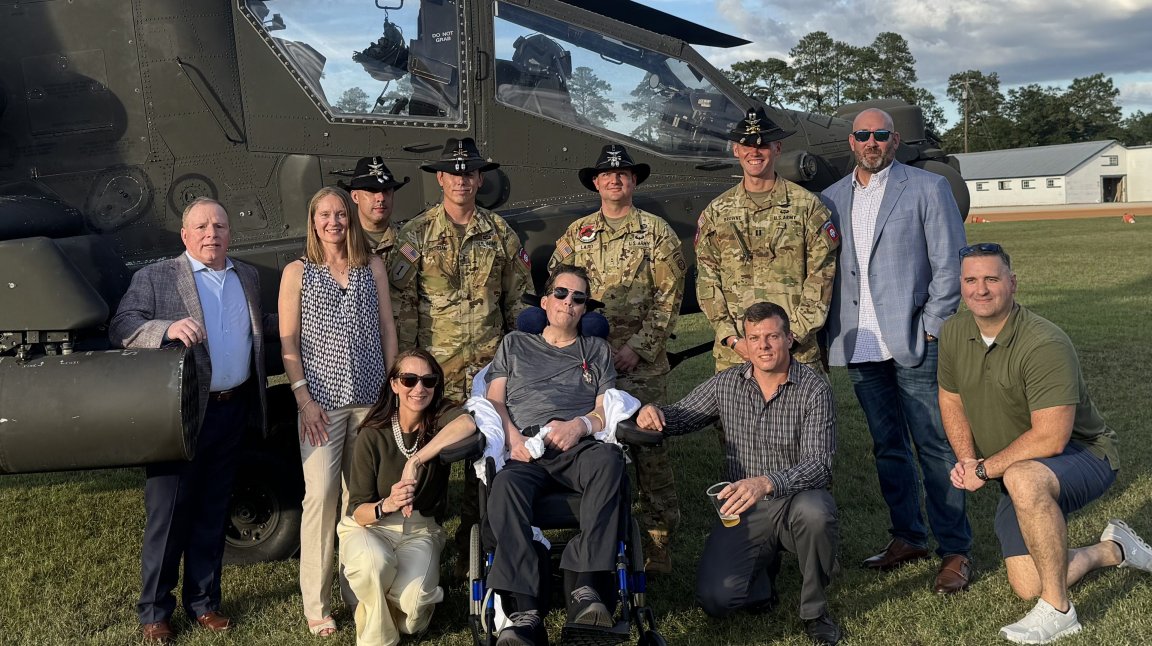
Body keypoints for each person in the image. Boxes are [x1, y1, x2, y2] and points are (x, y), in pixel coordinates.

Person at [939, 243, 1150, 644]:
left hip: (1084, 453)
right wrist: (967, 459)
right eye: (971, 280)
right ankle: (1113, 550)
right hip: (1016, 465)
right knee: (1027, 583)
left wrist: (983, 469)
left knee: (1023, 478)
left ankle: (1059, 611)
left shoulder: (1044, 342)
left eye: (991, 278)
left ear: (1013, 283)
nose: (980, 289)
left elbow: (1051, 437)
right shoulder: (953, 332)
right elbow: (950, 399)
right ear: (960, 285)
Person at [109, 197, 277, 644]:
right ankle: (155, 611)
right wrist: (165, 329)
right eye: (201, 226)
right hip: (180, 414)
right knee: (169, 514)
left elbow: (256, 328)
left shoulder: (246, 276)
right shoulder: (156, 276)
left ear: (230, 233)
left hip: (232, 409)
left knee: (213, 510)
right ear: (185, 235)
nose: (211, 234)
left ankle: (204, 603)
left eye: (219, 226)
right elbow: (122, 325)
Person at [820, 107, 972, 594]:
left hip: (914, 340)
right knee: (888, 447)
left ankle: (955, 549)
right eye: (863, 135)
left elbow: (950, 264)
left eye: (881, 134)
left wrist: (932, 327)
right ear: (851, 142)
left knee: (933, 444)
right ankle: (908, 537)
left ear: (895, 139)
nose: (872, 142)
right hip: (859, 342)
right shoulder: (830, 199)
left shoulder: (928, 188)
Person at [636, 301, 841, 646]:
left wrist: (766, 482)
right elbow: (682, 416)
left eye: (772, 336)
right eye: (754, 338)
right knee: (716, 600)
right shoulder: (727, 383)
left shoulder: (814, 389)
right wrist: (652, 411)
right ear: (745, 342)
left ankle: (815, 612)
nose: (763, 346)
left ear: (789, 338)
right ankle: (761, 579)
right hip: (743, 508)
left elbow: (819, 465)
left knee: (817, 513)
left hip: (795, 501)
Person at [390, 136, 532, 573]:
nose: (461, 180)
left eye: (469, 172)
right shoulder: (415, 234)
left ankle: (475, 540)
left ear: (479, 179)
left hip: (489, 371)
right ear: (440, 178)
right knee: (428, 457)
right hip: (434, 376)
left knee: (485, 459)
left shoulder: (500, 233)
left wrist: (518, 361)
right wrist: (409, 371)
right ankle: (422, 541)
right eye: (453, 173)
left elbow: (519, 301)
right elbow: (404, 306)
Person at [548, 143, 686, 574]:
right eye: (607, 174)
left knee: (649, 449)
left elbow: (670, 297)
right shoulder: (578, 234)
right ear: (596, 183)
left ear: (633, 181)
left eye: (623, 173)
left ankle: (659, 540)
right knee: (593, 445)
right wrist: (583, 342)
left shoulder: (656, 233)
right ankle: (596, 531)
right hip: (588, 363)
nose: (615, 179)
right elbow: (560, 290)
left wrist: (637, 347)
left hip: (640, 365)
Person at [484, 265, 625, 646]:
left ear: (585, 309)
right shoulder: (515, 344)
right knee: (505, 487)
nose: (569, 302)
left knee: (609, 462)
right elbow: (494, 401)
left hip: (577, 447)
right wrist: (513, 438)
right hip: (527, 446)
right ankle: (525, 611)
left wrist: (579, 425)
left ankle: (586, 590)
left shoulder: (596, 350)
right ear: (545, 302)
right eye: (561, 294)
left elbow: (604, 410)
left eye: (579, 298)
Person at [280, 186, 399, 636]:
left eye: (340, 214)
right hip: (320, 408)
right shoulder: (298, 272)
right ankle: (317, 603)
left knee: (360, 497)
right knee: (321, 498)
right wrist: (303, 399)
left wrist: (392, 388)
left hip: (369, 403)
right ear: (313, 222)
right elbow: (289, 343)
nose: (333, 222)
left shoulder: (372, 267)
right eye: (324, 215)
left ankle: (359, 589)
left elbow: (387, 327)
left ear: (350, 219)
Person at [338, 349, 478, 646]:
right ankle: (378, 638)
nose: (419, 388)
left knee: (413, 613)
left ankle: (377, 597)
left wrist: (415, 461)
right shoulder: (372, 434)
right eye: (409, 380)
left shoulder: (439, 417)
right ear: (394, 384)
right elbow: (358, 512)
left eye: (428, 380)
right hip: (373, 527)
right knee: (374, 564)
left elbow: (467, 424)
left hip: (420, 531)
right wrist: (387, 504)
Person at [695, 107, 839, 376]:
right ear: (736, 150)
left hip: (795, 353)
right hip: (736, 356)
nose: (755, 152)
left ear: (777, 148)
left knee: (802, 406)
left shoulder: (807, 206)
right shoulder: (717, 212)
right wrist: (731, 338)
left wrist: (792, 336)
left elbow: (822, 276)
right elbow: (707, 279)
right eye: (747, 145)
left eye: (763, 145)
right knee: (736, 407)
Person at [339, 155, 411, 263]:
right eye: (371, 190)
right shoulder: (341, 242)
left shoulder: (411, 239)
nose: (381, 198)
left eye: (386, 190)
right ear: (355, 197)